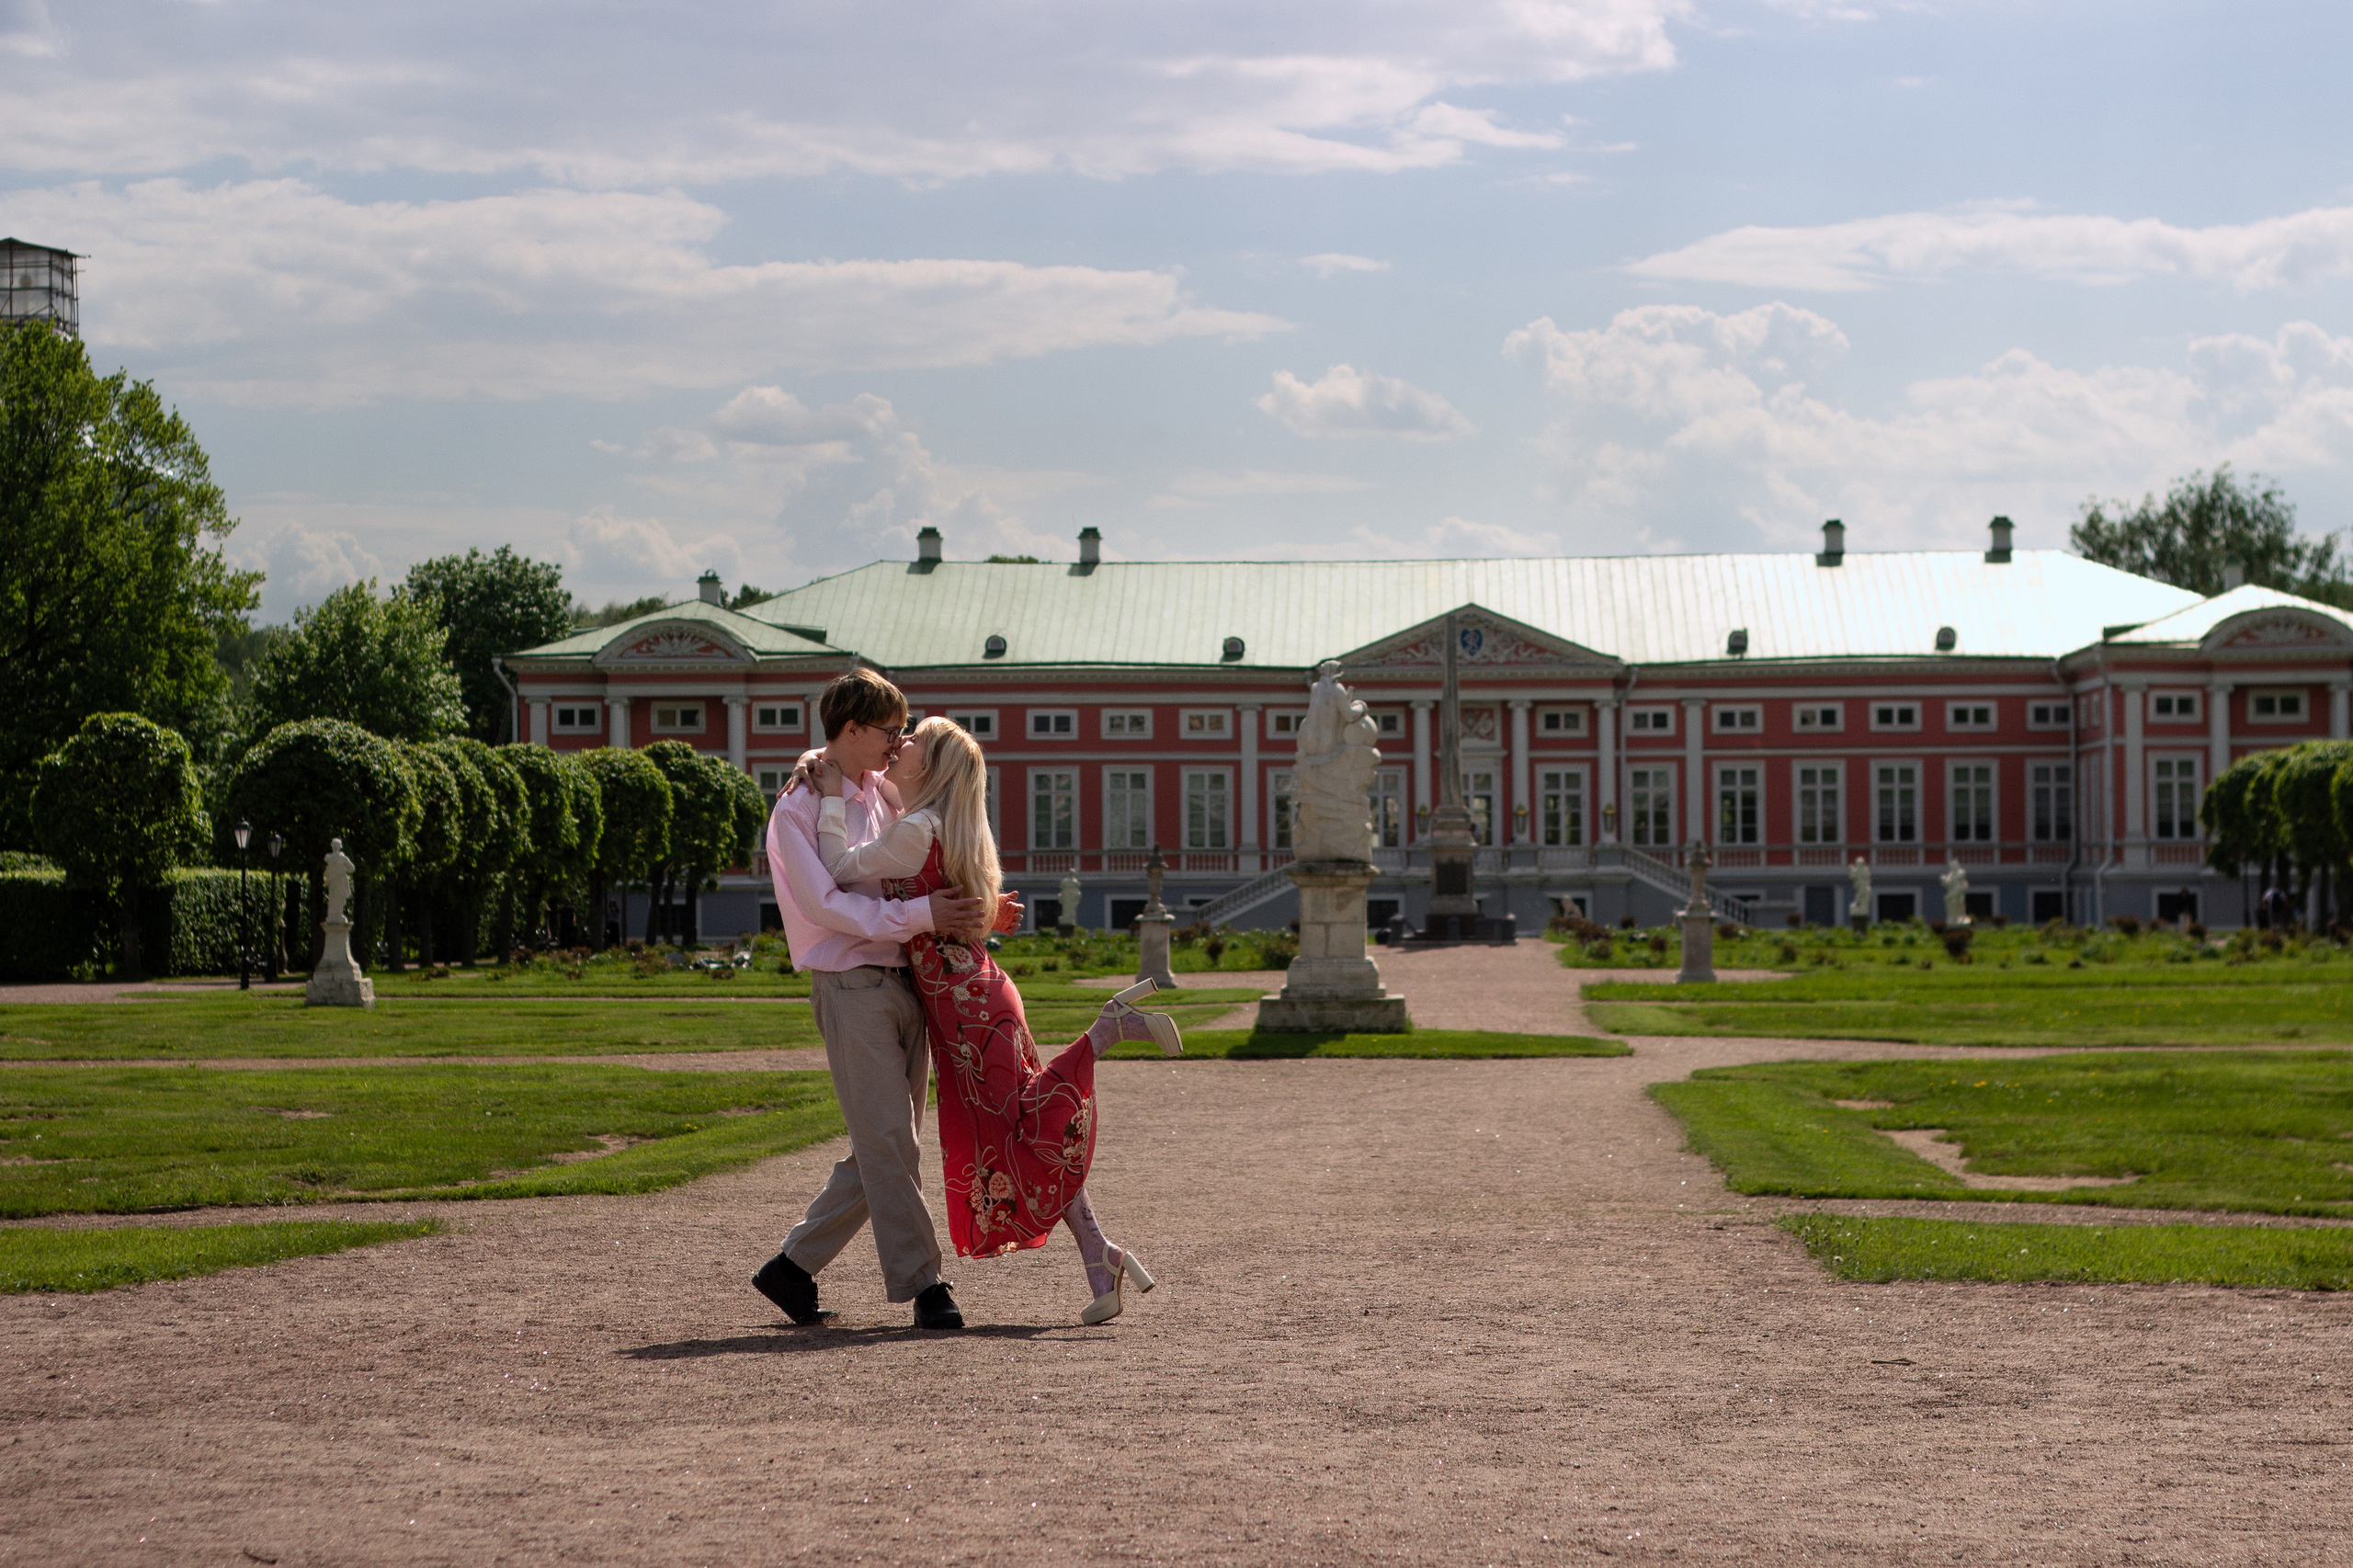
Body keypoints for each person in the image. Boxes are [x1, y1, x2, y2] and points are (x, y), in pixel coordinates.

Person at [813, 716, 1184, 1325]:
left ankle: (1107, 1029)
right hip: (979, 991)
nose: (898, 743)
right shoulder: (951, 826)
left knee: (1025, 1118)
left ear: (928, 769)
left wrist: (830, 797)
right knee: (1022, 1132)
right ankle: (1099, 1254)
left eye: (913, 742)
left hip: (964, 1006)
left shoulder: (914, 831)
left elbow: (840, 867)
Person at [750, 669, 994, 1333]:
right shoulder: (797, 809)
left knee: (883, 1147)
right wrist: (920, 914)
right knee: (889, 1140)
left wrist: (977, 909)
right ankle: (926, 1286)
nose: (900, 740)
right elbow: (827, 905)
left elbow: (925, 834)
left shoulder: (876, 791)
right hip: (851, 985)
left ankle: (791, 1270)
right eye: (890, 730)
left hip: (909, 982)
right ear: (852, 729)